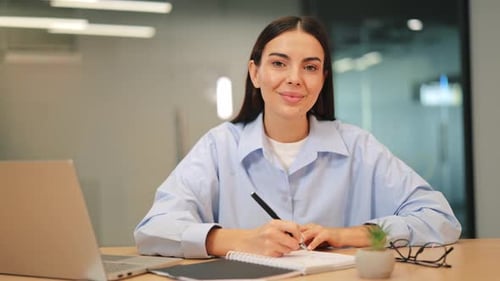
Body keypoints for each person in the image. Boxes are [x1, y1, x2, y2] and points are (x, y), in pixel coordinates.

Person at [134, 16, 461, 258]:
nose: (294, 79)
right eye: (279, 63)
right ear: (255, 72)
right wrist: (240, 241)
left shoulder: (358, 146)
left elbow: (440, 220)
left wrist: (352, 235)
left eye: (310, 67)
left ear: (322, 78)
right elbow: (153, 230)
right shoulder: (219, 146)